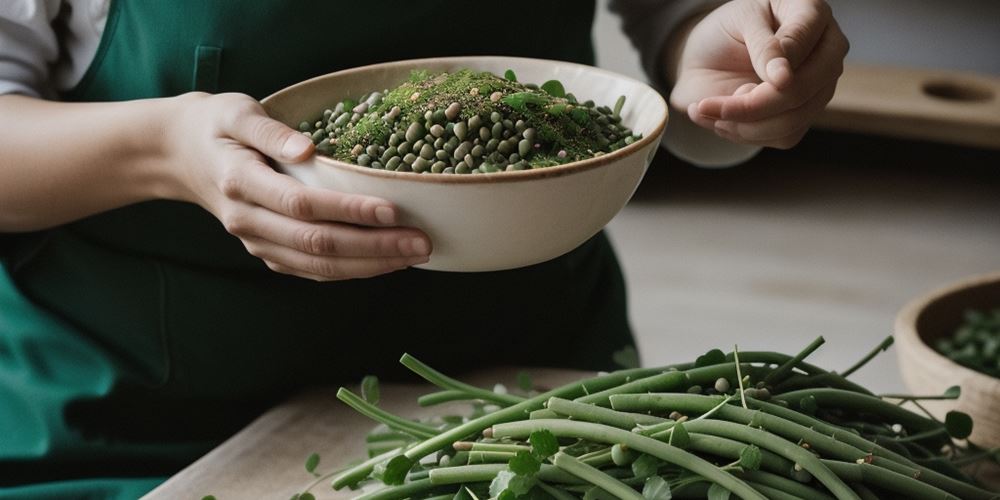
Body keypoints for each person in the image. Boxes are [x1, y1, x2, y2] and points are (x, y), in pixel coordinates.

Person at [0, 0, 848, 497]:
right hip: (147, 418)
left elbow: (681, 21)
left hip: (533, 405)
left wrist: (724, 50)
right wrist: (162, 147)